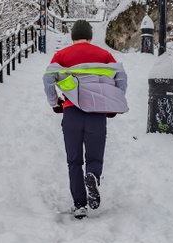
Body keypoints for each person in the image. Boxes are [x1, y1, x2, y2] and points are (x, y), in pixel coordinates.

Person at [43, 20, 129, 218]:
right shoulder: (104, 55)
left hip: (72, 112)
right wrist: (113, 101)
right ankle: (93, 178)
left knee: (74, 161)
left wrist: (54, 102)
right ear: (90, 36)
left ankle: (80, 204)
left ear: (73, 37)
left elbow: (48, 78)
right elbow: (121, 77)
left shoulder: (61, 55)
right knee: (95, 157)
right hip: (97, 114)